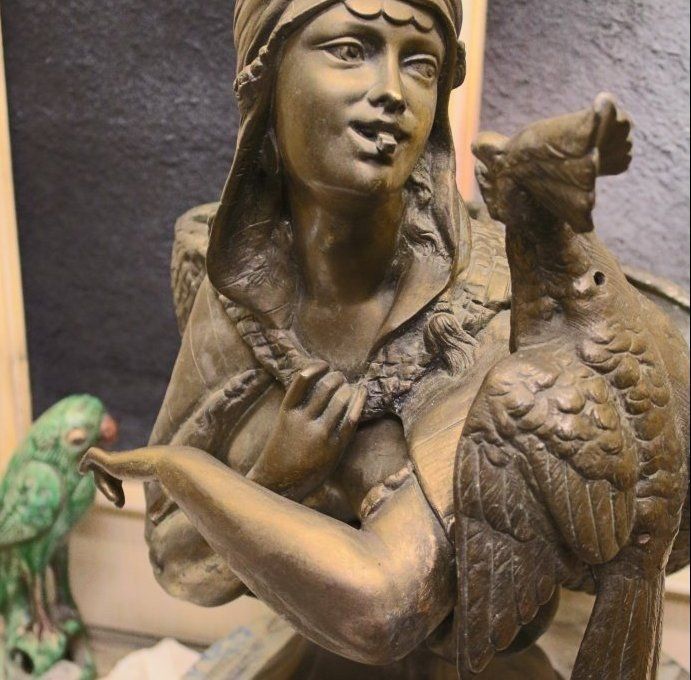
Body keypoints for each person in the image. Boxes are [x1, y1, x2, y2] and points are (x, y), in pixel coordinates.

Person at [80, 0, 687, 676]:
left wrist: (178, 468)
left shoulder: (488, 307)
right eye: (350, 50)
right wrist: (280, 474)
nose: (392, 91)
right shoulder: (237, 292)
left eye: (420, 64)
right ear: (266, 81)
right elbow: (175, 555)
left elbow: (385, 607)